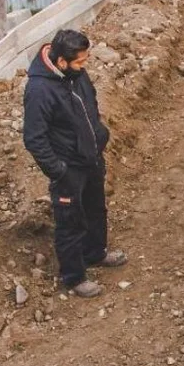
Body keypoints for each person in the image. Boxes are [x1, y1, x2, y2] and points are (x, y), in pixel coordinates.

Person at [22, 29, 127, 298]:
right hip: (68, 168)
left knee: (96, 209)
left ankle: (95, 253)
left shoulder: (76, 74)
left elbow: (90, 104)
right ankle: (74, 276)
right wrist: (59, 171)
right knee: (70, 221)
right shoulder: (39, 89)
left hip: (90, 157)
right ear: (61, 63)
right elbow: (34, 138)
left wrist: (99, 137)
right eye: (79, 62)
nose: (85, 66)